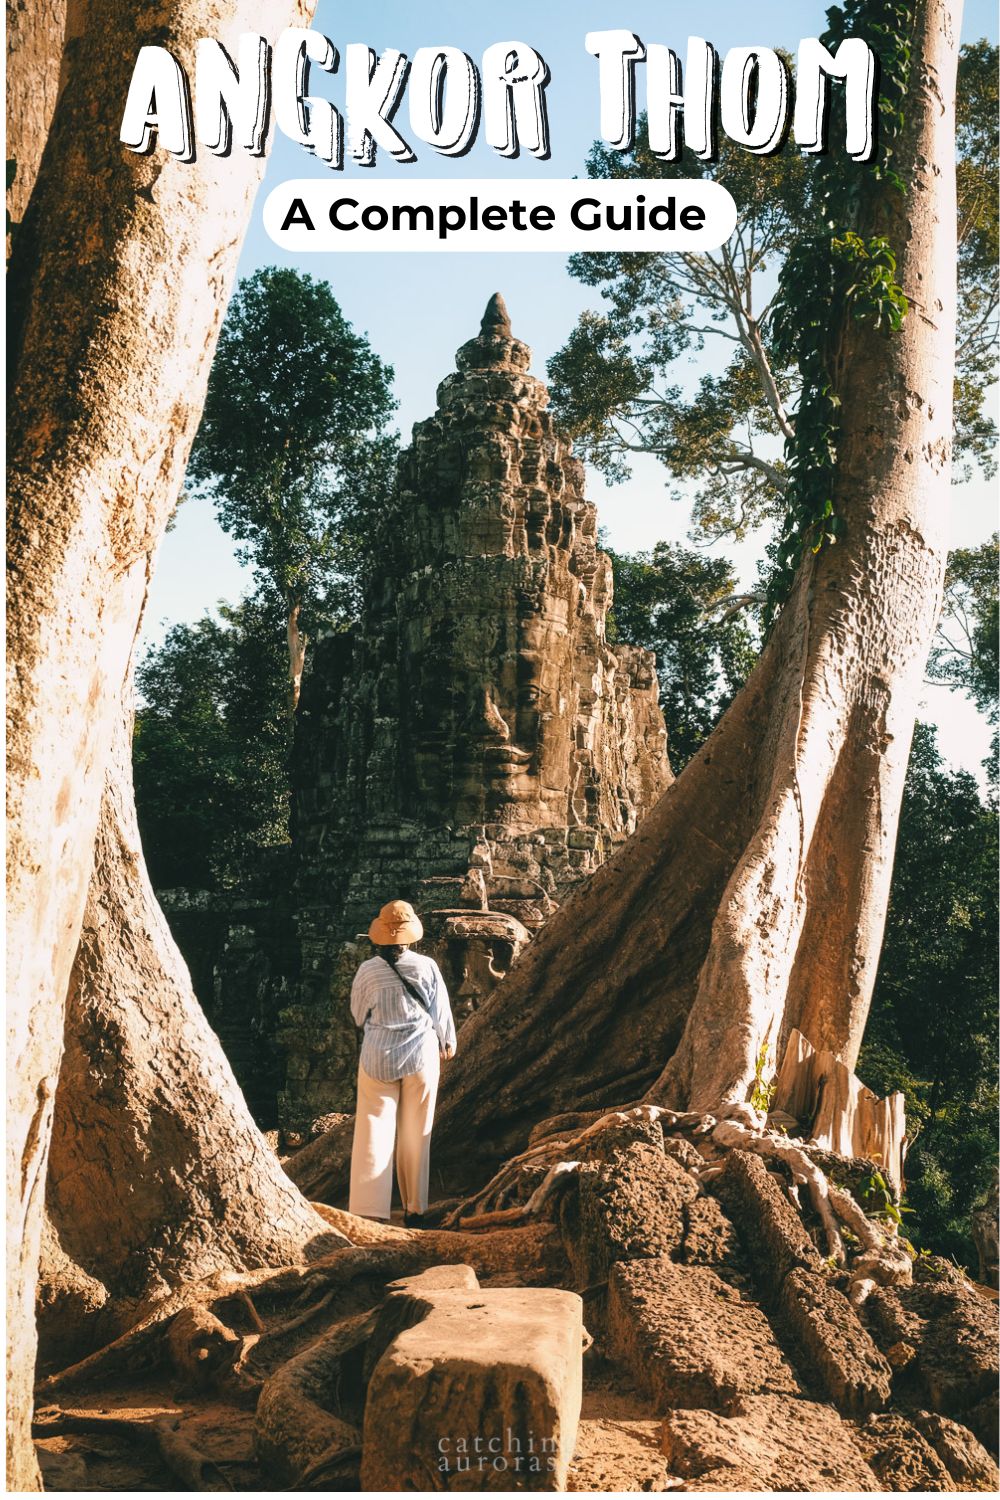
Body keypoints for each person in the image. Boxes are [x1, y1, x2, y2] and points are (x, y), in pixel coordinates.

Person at [348, 899, 456, 1226]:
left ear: (379, 936)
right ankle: (415, 1209)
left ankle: (369, 1212)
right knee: (415, 1133)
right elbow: (441, 1013)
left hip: (377, 1056)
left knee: (373, 1130)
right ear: (410, 936)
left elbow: (356, 1015)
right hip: (420, 1055)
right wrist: (448, 1041)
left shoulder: (368, 970)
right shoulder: (427, 967)